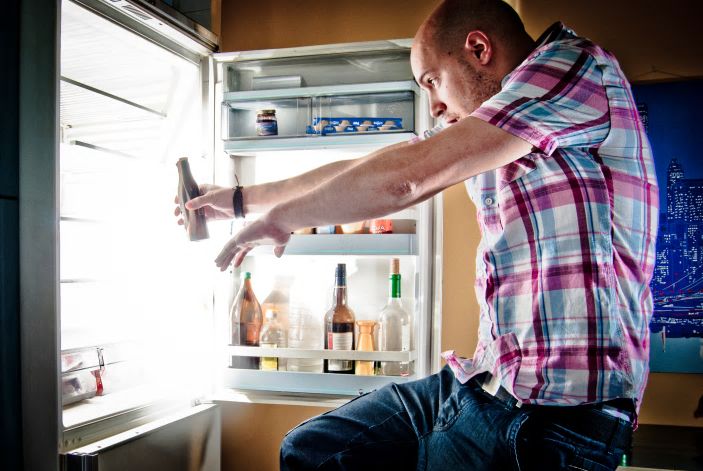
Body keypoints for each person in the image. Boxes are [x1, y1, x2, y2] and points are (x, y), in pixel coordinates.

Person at [176, 0, 658, 468]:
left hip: (557, 416)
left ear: (478, 49)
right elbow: (367, 167)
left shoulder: (574, 69)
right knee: (316, 449)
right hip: (485, 384)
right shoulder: (491, 123)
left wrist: (286, 218)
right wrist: (242, 200)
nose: (433, 106)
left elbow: (407, 177)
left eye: (432, 82)